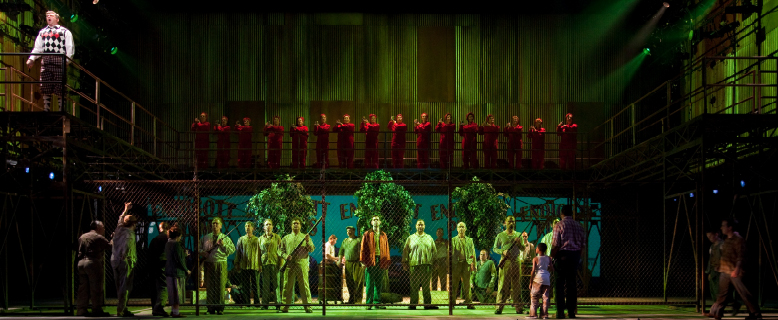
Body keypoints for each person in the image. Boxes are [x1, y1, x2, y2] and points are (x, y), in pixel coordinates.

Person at [705, 218, 762, 320]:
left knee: (744, 293)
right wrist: (720, 266)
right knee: (722, 294)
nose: (721, 228)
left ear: (730, 227)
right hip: (725, 270)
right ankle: (716, 312)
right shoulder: (727, 240)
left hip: (734, 271)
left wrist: (737, 269)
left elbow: (741, 256)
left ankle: (756, 314)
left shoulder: (738, 240)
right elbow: (726, 256)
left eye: (723, 226)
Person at [26, 11, 74, 112]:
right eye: (47, 16)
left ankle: (61, 108)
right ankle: (46, 108)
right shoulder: (43, 32)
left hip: (59, 61)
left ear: (57, 19)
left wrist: (67, 61)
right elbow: (38, 47)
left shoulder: (64, 31)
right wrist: (32, 58)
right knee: (45, 84)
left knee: (60, 86)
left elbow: (70, 47)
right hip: (46, 61)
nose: (48, 17)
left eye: (51, 16)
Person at [550, 205, 585, 319]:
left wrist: (551, 257)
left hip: (562, 256)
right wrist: (577, 257)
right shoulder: (579, 226)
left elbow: (555, 244)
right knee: (572, 284)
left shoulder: (559, 225)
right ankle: (571, 312)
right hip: (574, 256)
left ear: (562, 213)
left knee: (559, 284)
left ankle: (560, 312)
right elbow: (583, 245)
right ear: (571, 213)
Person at [199, 217, 236, 315]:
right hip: (209, 263)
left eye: (216, 223)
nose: (214, 225)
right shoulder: (205, 238)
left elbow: (232, 250)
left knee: (220, 286)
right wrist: (202, 253)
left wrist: (223, 245)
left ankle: (220, 308)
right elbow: (198, 248)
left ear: (221, 226)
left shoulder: (225, 238)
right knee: (210, 286)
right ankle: (210, 307)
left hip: (221, 263)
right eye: (213, 223)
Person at [75, 221, 111, 317]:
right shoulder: (98, 237)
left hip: (81, 263)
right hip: (92, 262)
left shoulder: (82, 236)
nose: (104, 229)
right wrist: (114, 239)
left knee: (83, 288)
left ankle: (81, 309)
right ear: (98, 228)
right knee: (96, 288)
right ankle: (96, 309)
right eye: (102, 227)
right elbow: (109, 246)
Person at [279, 218, 315, 313]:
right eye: (294, 223)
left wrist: (307, 241)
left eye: (297, 223)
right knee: (287, 285)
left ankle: (308, 306)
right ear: (291, 226)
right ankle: (285, 306)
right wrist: (286, 256)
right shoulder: (286, 238)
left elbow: (311, 249)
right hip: (289, 264)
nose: (295, 225)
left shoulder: (305, 237)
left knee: (304, 285)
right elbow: (280, 251)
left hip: (301, 263)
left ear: (300, 226)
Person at [403, 220, 438, 310]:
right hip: (414, 265)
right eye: (419, 224)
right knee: (414, 286)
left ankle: (427, 304)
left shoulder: (429, 238)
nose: (420, 226)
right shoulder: (410, 238)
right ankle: (413, 304)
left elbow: (434, 251)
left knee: (426, 286)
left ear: (424, 226)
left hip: (426, 264)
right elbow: (405, 251)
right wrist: (405, 262)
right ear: (416, 226)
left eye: (422, 224)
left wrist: (435, 262)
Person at [111, 202, 139, 317]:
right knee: (125, 286)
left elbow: (120, 220)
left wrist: (125, 210)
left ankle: (123, 307)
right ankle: (121, 309)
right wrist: (130, 260)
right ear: (133, 224)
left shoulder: (119, 230)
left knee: (119, 285)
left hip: (115, 260)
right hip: (125, 261)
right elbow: (126, 248)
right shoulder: (130, 234)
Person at [493, 215, 524, 315]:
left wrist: (519, 243)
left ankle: (518, 307)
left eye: (513, 221)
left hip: (516, 261)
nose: (511, 223)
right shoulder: (500, 235)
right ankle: (499, 307)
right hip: (505, 261)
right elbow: (494, 248)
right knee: (503, 284)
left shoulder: (518, 235)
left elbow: (523, 248)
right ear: (505, 223)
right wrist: (503, 251)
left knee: (517, 285)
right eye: (509, 221)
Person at [705, 230, 741, 315]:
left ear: (716, 234)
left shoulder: (723, 245)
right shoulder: (712, 246)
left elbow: (726, 257)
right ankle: (718, 310)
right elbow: (711, 259)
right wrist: (709, 271)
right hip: (714, 270)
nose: (710, 239)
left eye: (711, 236)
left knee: (721, 292)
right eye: (708, 237)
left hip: (722, 270)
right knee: (714, 291)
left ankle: (730, 305)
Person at [360, 216, 390, 310]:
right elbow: (362, 248)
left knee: (378, 283)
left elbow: (387, 249)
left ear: (380, 222)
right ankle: (368, 303)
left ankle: (377, 302)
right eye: (374, 220)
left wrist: (387, 262)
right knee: (369, 282)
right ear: (371, 222)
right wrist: (362, 261)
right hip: (370, 261)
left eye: (377, 219)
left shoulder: (383, 234)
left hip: (380, 260)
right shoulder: (367, 234)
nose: (376, 221)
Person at [234, 222, 261, 307]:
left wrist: (260, 265)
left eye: (249, 226)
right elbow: (238, 252)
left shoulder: (257, 240)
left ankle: (257, 303)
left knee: (255, 285)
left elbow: (259, 253)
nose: (247, 228)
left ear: (253, 228)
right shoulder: (241, 239)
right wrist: (237, 263)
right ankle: (246, 302)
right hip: (244, 265)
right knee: (245, 285)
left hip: (254, 265)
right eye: (246, 226)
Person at [165, 227, 190, 318]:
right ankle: (176, 312)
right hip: (177, 273)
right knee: (177, 293)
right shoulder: (176, 245)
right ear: (178, 236)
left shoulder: (168, 244)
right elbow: (179, 260)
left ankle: (173, 310)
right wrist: (186, 270)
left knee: (172, 292)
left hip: (169, 271)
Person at [149, 222, 172, 316]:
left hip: (154, 265)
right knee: (164, 285)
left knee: (154, 286)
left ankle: (154, 307)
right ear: (168, 229)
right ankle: (159, 307)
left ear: (160, 229)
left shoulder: (155, 239)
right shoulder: (167, 239)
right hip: (163, 264)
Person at [451, 222, 476, 309]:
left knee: (467, 284)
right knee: (454, 284)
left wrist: (474, 264)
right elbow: (449, 253)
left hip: (466, 263)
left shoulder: (470, 240)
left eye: (463, 227)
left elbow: (473, 252)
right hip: (456, 264)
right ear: (457, 229)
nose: (461, 228)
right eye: (459, 227)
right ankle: (452, 302)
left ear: (465, 229)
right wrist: (449, 265)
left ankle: (469, 302)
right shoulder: (453, 240)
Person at [259, 219, 282, 309]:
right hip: (265, 263)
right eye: (266, 224)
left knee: (276, 284)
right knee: (265, 284)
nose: (268, 226)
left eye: (270, 224)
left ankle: (278, 304)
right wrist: (259, 265)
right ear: (264, 227)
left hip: (275, 262)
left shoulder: (277, 237)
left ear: (272, 226)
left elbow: (280, 251)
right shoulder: (260, 239)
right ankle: (265, 304)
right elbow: (259, 253)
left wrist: (281, 263)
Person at [528, 243, 554, 319]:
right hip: (546, 279)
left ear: (538, 249)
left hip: (538, 279)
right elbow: (552, 269)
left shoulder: (535, 258)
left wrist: (530, 282)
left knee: (534, 297)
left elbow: (533, 271)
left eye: (536, 248)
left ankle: (533, 314)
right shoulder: (549, 258)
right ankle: (544, 315)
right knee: (545, 298)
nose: (536, 249)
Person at [339, 226, 364, 304]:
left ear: (354, 231)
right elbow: (341, 251)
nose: (349, 232)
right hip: (348, 263)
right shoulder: (345, 241)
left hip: (357, 263)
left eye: (350, 231)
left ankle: (358, 300)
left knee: (358, 281)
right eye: (347, 231)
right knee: (349, 281)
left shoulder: (358, 240)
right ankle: (351, 299)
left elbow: (362, 251)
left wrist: (362, 261)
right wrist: (339, 260)